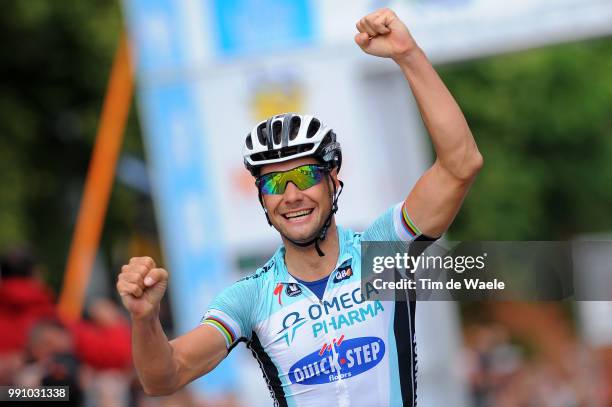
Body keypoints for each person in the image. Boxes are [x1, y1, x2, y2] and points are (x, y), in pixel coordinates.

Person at [117, 8, 483, 406]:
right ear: (262, 197)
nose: (292, 195)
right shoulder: (250, 298)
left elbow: (460, 164)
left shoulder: (380, 252)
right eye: (275, 183)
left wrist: (407, 54)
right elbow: (165, 376)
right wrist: (144, 318)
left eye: (306, 176)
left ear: (333, 179)